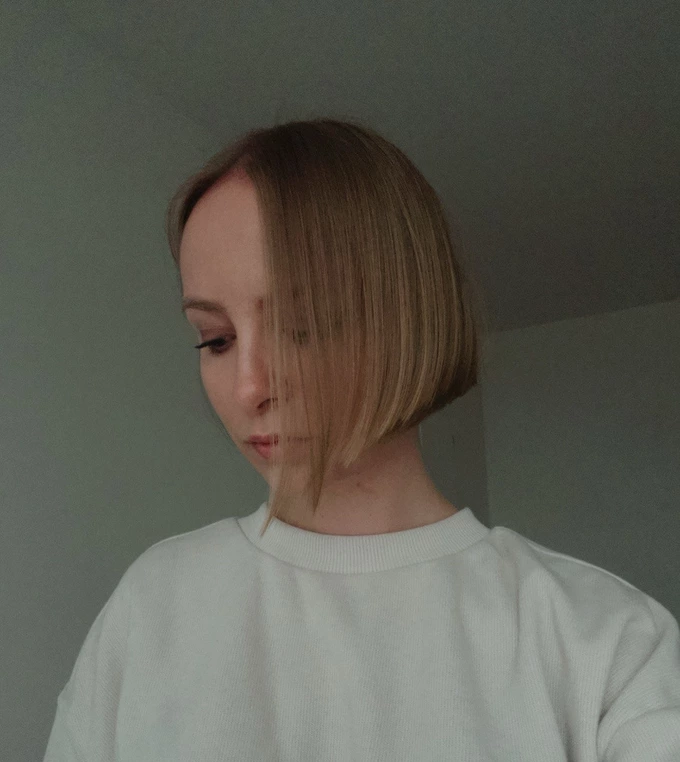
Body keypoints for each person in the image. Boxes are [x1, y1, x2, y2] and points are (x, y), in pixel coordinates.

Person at [44, 118, 680, 761]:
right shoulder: (154, 607)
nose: (248, 387)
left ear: (410, 312)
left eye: (302, 327)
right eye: (216, 339)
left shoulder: (605, 640)